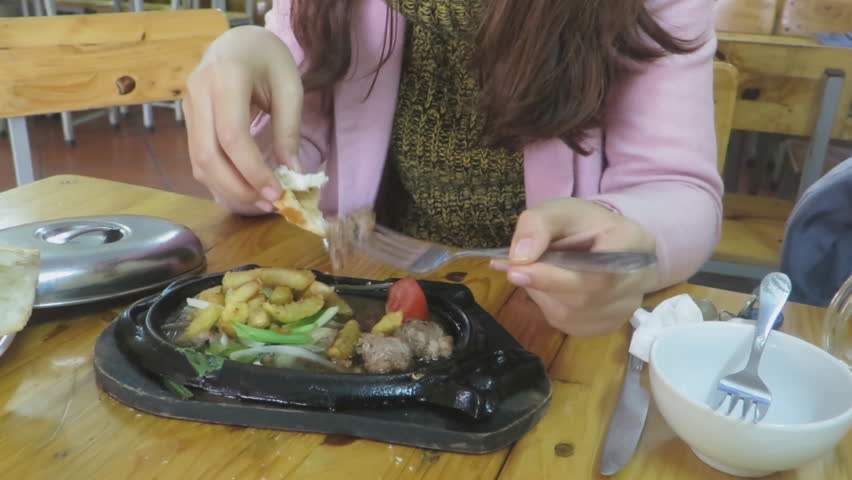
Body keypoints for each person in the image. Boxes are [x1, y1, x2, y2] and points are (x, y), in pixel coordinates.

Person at [183, 0, 723, 336]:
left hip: (548, 323)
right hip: (372, 296)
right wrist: (245, 58)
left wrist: (625, 243)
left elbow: (678, 188)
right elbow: (284, 170)